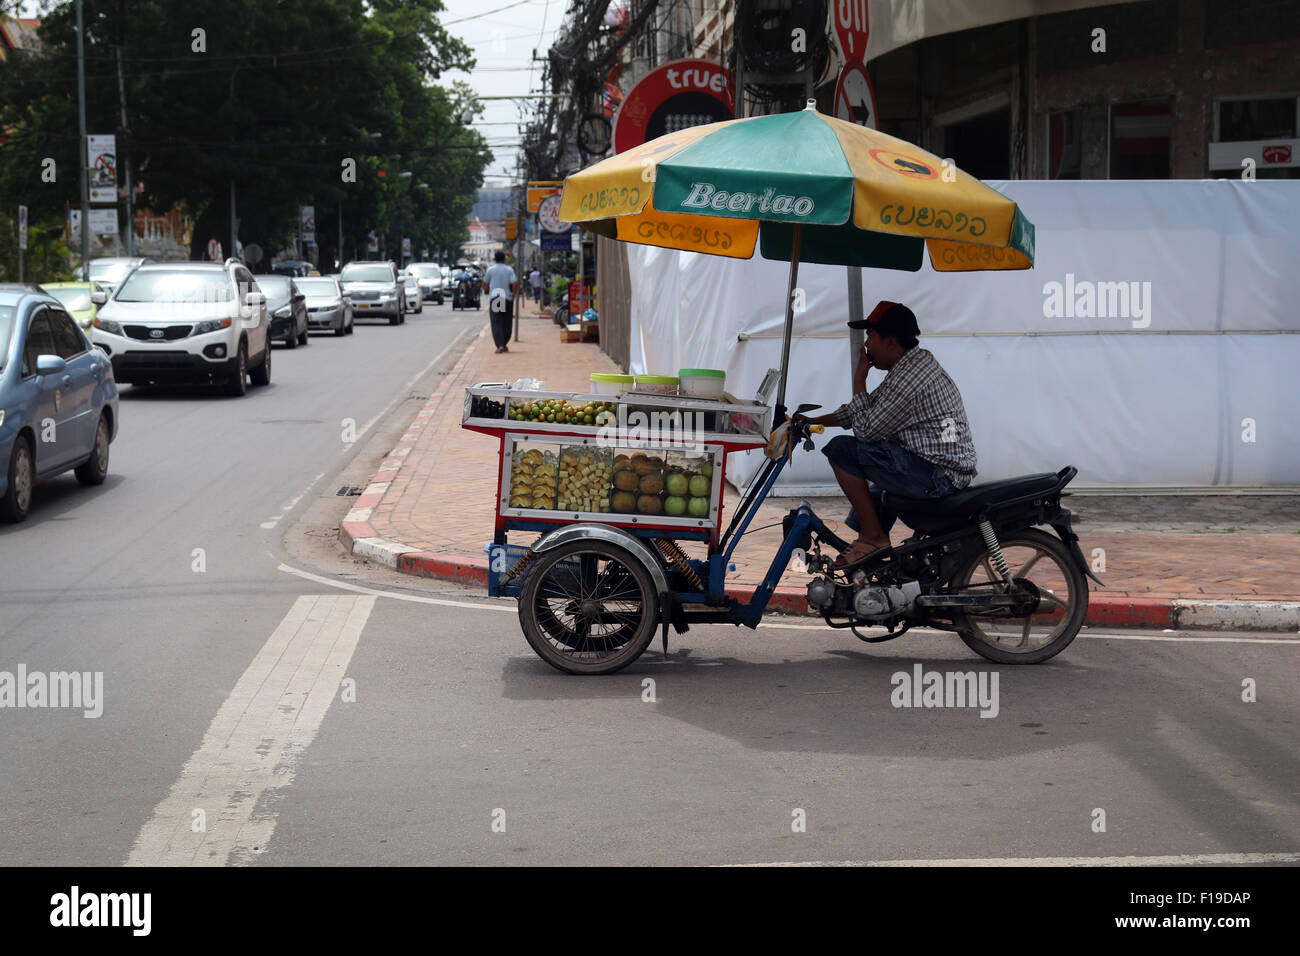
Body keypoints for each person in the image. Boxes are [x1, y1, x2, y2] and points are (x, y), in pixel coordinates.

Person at [793, 301, 977, 567]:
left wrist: (859, 379)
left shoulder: (909, 378)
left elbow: (866, 430)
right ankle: (869, 552)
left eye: (870, 337)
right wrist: (809, 422)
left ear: (891, 342)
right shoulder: (912, 365)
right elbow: (862, 410)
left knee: (842, 450)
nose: (866, 346)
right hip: (937, 470)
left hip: (938, 476)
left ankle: (874, 538)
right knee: (878, 486)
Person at [483, 250, 517, 353]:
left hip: (496, 297)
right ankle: (504, 343)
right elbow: (515, 283)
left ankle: (500, 345)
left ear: (494, 259)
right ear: (504, 259)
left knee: (497, 322)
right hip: (506, 298)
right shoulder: (509, 269)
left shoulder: (490, 270)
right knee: (506, 322)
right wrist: (513, 295)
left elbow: (485, 283)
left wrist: (487, 291)